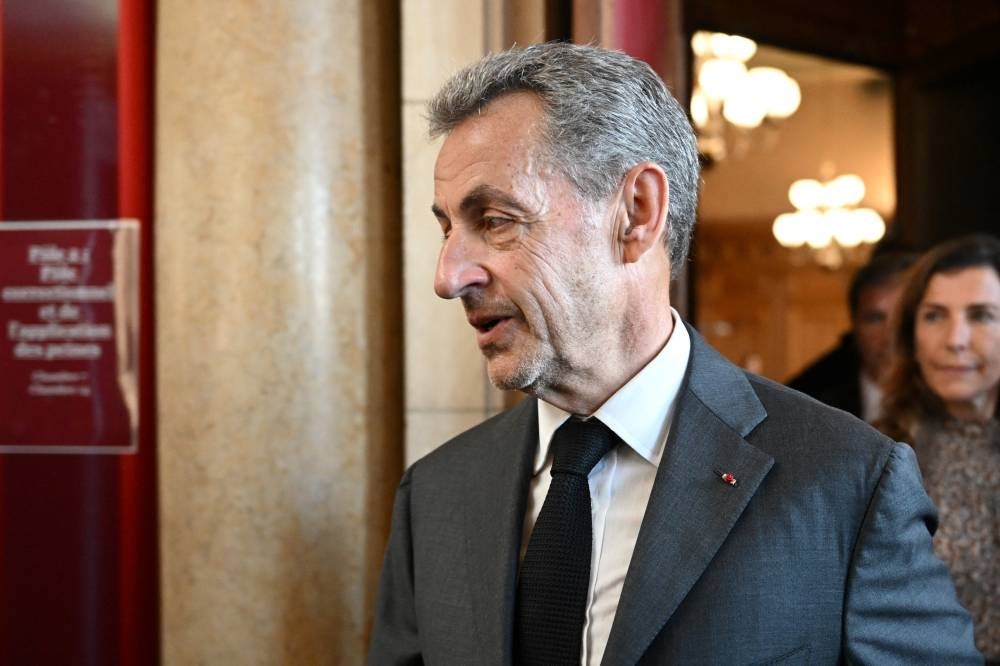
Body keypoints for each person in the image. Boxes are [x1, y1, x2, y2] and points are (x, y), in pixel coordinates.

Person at [369, 42, 980, 665]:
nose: (448, 276)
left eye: (497, 220)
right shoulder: (436, 494)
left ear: (636, 213)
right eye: (447, 228)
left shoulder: (848, 481)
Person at [878, 234, 1000, 662]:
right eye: (934, 316)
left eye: (981, 315)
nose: (956, 339)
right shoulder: (879, 455)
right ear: (911, 334)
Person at [787, 251, 917, 422]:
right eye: (875, 319)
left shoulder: (949, 397)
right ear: (854, 325)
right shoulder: (811, 404)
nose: (891, 336)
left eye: (904, 317)